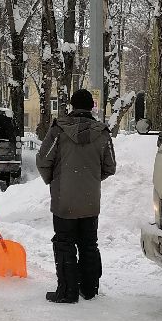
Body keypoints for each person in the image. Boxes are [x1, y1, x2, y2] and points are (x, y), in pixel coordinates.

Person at [36, 89, 116, 303]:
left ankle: (67, 291)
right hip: (90, 200)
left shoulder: (58, 130)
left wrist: (54, 180)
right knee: (89, 243)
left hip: (64, 199)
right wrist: (90, 180)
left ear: (72, 106)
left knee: (64, 243)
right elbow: (110, 166)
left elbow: (43, 161)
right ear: (92, 107)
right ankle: (89, 288)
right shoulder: (103, 133)